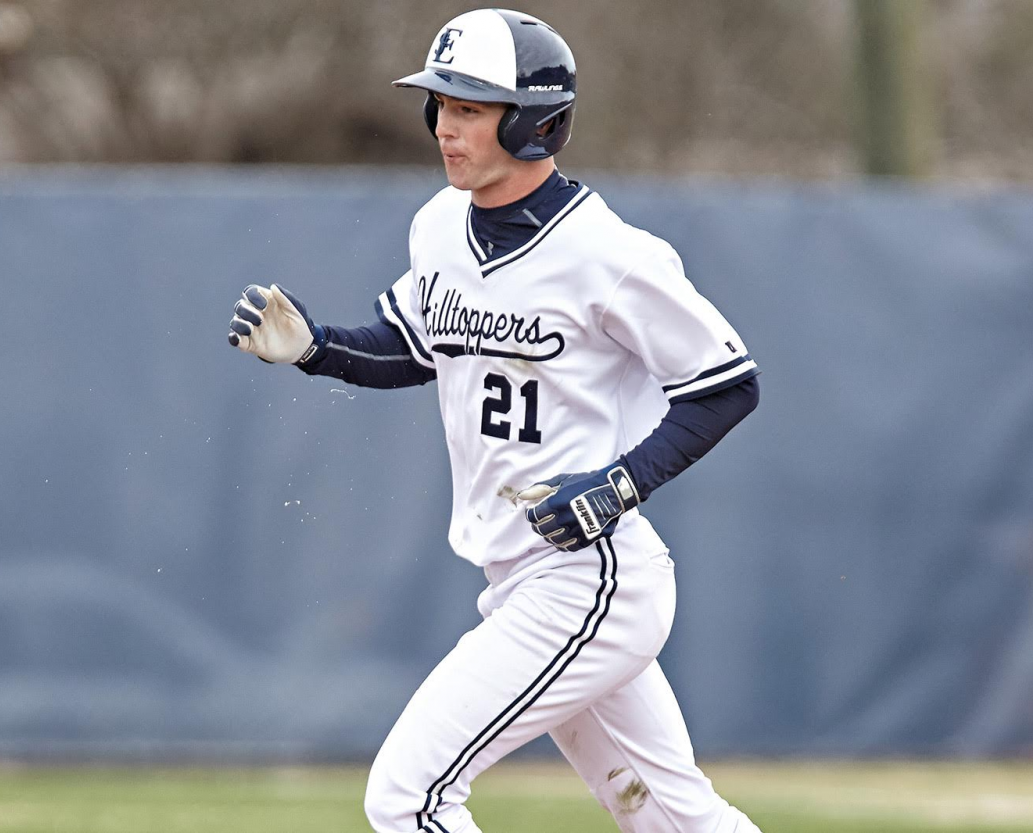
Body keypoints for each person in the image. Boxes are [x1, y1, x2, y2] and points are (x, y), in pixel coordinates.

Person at [227, 9, 763, 833]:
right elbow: (413, 345)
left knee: (407, 797)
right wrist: (318, 349)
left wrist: (619, 484)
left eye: (472, 109)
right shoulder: (438, 227)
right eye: (440, 105)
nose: (446, 127)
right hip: (519, 577)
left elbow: (725, 383)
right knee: (670, 816)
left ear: (532, 121)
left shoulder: (608, 253)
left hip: (590, 578)